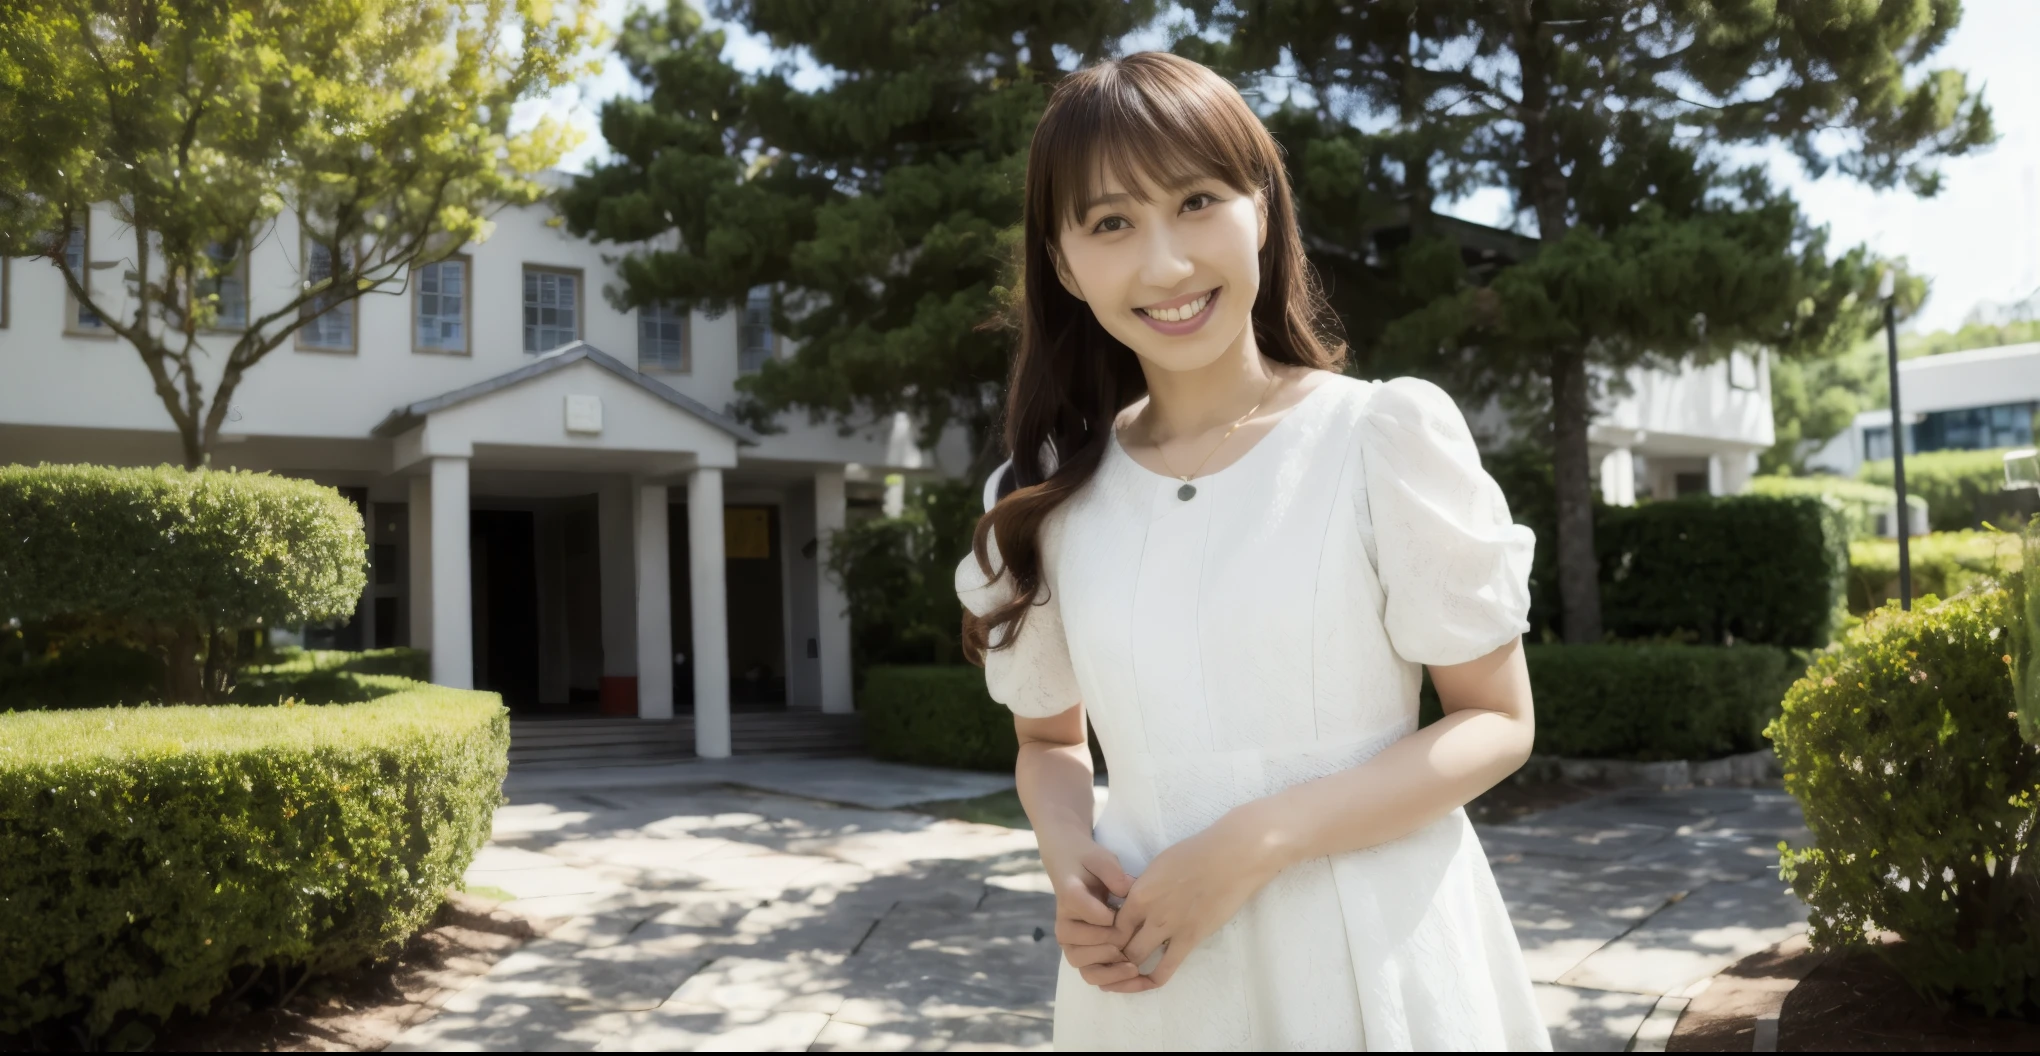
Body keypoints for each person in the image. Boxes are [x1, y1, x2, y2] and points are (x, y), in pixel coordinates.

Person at [953, 52, 1552, 1051]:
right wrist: (1069, 856)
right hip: (1152, 972)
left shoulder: (1382, 438)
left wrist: (1255, 842)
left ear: (1262, 209)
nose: (1166, 264)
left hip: (1376, 958)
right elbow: (1050, 743)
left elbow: (1495, 723)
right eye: (1111, 223)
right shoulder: (1043, 493)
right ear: (1063, 262)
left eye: (1196, 201)